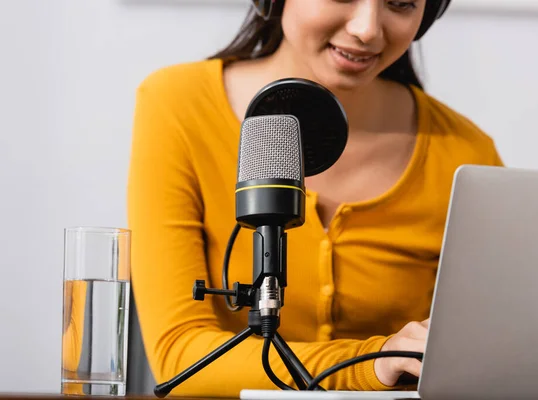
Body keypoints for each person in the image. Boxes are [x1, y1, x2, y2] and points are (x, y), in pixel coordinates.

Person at [127, 0, 503, 397]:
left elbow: (492, 352)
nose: (368, 29)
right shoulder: (178, 106)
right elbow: (179, 354)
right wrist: (372, 362)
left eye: (400, 3)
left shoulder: (467, 155)